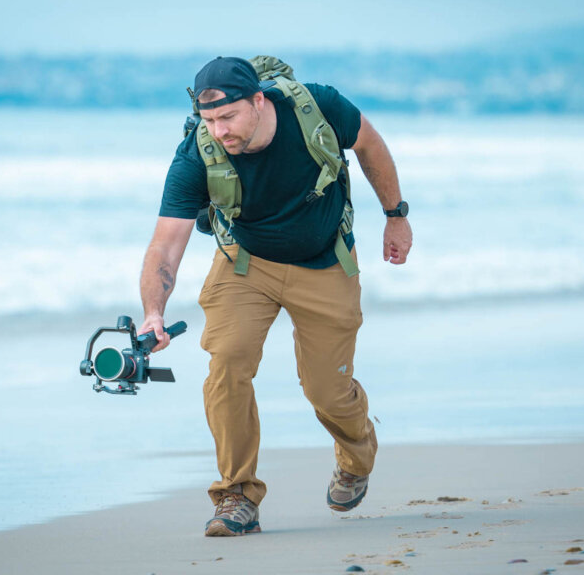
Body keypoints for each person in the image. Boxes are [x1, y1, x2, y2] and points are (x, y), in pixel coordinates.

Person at [138, 56, 412, 537]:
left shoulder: (318, 106)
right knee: (227, 361)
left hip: (324, 260)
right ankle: (236, 496)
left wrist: (396, 213)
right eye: (209, 121)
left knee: (327, 389)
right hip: (245, 263)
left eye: (228, 117)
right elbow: (165, 243)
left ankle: (356, 455)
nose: (219, 131)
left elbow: (369, 144)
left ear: (259, 100)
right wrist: (152, 313)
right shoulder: (196, 153)